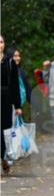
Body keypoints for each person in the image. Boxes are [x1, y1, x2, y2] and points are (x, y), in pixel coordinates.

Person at [1, 35, 23, 174]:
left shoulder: (10, 63)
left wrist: (18, 105)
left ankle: (4, 158)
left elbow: (14, 84)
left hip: (5, 100)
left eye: (1, 41)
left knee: (4, 131)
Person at [12, 50, 33, 123]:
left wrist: (32, 102)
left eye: (19, 56)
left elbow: (27, 88)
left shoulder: (21, 72)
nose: (18, 58)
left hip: (19, 106)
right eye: (15, 56)